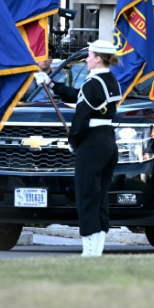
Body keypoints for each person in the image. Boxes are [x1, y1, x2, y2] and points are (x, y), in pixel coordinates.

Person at [35, 40, 121, 257]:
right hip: (107, 141)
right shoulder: (110, 80)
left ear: (98, 59)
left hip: (91, 144)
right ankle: (97, 247)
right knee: (99, 196)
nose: (87, 59)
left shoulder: (94, 84)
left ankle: (89, 250)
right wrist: (52, 85)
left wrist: (74, 142)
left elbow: (81, 117)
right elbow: (78, 96)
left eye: (90, 55)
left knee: (87, 195)